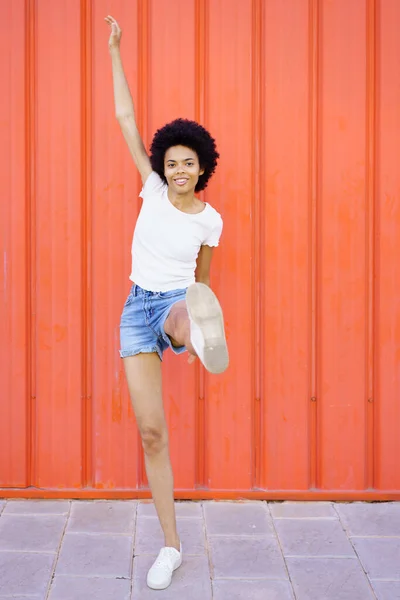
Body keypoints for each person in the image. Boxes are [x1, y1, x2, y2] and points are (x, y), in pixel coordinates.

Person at [105, 15, 229, 591]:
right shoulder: (151, 191)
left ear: (203, 167)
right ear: (163, 167)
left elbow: (202, 278)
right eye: (172, 161)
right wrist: (115, 50)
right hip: (137, 309)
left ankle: (191, 335)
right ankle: (171, 546)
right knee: (152, 433)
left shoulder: (210, 220)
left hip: (179, 301)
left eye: (189, 162)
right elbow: (126, 119)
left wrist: (192, 307)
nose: (179, 169)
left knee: (188, 306)